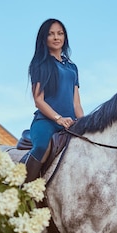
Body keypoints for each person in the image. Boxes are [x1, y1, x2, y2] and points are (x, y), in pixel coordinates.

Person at [22, 18, 84, 182]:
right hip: (46, 122)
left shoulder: (72, 68)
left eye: (60, 33)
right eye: (51, 34)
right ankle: (23, 190)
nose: (56, 37)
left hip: (71, 123)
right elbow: (38, 100)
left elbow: (76, 102)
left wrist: (84, 122)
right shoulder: (40, 64)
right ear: (44, 38)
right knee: (42, 147)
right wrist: (59, 118)